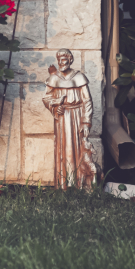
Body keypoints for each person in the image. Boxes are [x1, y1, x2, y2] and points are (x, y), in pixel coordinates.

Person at [42, 49, 97, 189]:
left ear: (70, 60)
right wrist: (55, 107)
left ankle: (79, 184)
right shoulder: (54, 78)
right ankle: (63, 185)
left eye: (64, 59)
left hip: (77, 116)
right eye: (59, 60)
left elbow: (87, 101)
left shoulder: (79, 77)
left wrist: (86, 121)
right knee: (62, 149)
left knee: (78, 148)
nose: (61, 62)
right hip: (61, 117)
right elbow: (46, 98)